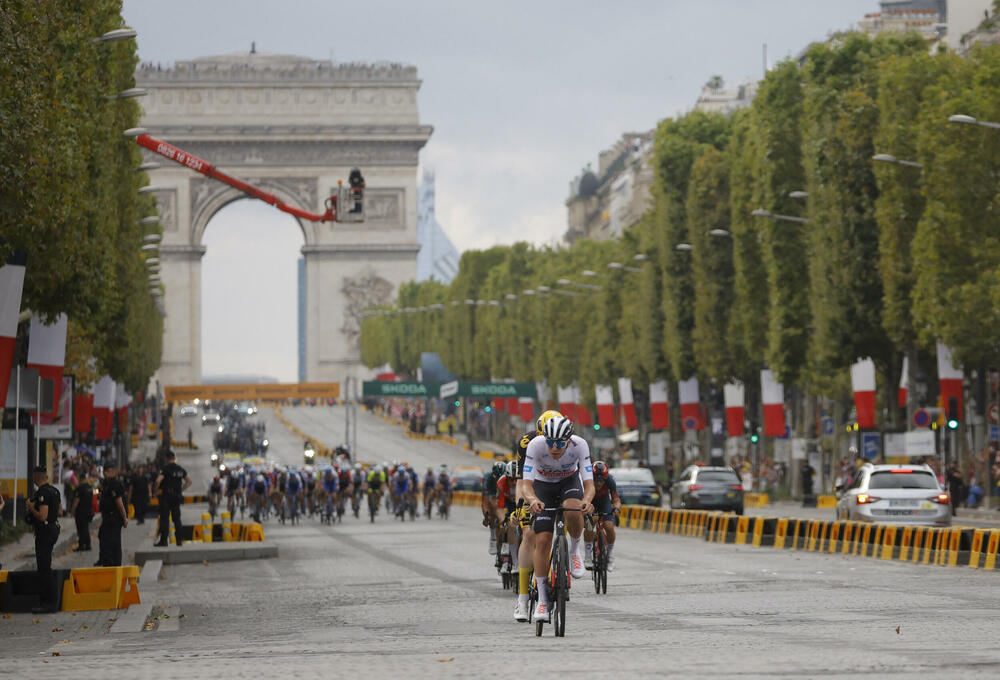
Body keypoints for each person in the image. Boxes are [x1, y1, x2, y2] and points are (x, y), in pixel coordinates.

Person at [522, 416, 594, 623]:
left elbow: (589, 484)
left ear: (569, 441)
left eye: (560, 443)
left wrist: (587, 501)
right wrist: (533, 500)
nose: (554, 447)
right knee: (543, 540)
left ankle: (574, 551)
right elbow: (527, 484)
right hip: (542, 486)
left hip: (568, 482)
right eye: (550, 442)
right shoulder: (535, 446)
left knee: (573, 509)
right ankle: (543, 601)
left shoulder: (580, 446)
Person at [512, 409, 561, 622]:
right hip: (535, 488)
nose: (551, 445)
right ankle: (522, 598)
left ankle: (563, 565)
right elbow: (523, 480)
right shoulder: (527, 443)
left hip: (560, 488)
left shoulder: (569, 441)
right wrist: (521, 505)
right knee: (529, 535)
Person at [25, 466, 61, 613]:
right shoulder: (55, 490)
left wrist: (31, 507)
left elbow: (42, 516)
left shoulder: (42, 493)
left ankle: (49, 602)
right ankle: (50, 600)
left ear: (35, 476)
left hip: (45, 531)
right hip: (53, 528)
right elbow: (60, 511)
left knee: (44, 568)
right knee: (45, 565)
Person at [584, 461, 621, 571]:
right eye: (596, 480)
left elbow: (616, 499)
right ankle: (588, 556)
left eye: (602, 480)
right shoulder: (586, 479)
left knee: (609, 526)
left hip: (604, 502)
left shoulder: (610, 480)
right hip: (591, 501)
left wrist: (616, 508)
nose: (599, 483)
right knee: (591, 521)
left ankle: (610, 555)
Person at [153, 451, 191, 547]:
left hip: (166, 497)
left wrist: (155, 491)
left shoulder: (165, 469)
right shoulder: (180, 469)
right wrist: (181, 490)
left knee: (165, 519)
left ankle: (164, 541)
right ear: (174, 458)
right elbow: (189, 481)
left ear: (166, 458)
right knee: (177, 519)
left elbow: (158, 481)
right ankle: (179, 541)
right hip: (176, 497)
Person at [97, 464, 128, 567]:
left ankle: (113, 566)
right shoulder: (106, 484)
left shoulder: (115, 484)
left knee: (112, 544)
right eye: (111, 470)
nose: (114, 472)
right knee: (104, 538)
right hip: (107, 517)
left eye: (114, 470)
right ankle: (107, 563)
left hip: (113, 518)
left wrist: (124, 517)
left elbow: (119, 502)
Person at [70, 470, 94, 552]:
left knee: (81, 529)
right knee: (86, 528)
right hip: (88, 511)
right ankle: (88, 544)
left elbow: (76, 501)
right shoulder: (90, 488)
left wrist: (72, 511)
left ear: (80, 479)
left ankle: (81, 545)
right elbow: (94, 496)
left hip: (81, 511)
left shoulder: (80, 488)